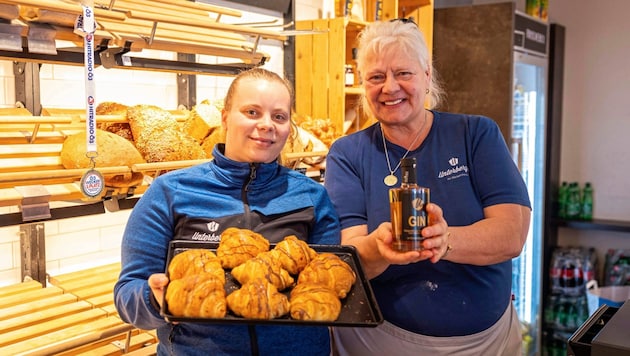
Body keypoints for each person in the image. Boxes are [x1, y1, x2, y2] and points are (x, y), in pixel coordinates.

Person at [324, 19, 531, 355]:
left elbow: (512, 235)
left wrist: (446, 240)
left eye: (403, 73)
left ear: (427, 75)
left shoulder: (475, 134)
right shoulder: (348, 154)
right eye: (376, 77)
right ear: (364, 85)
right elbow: (349, 260)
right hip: (382, 341)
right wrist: (379, 249)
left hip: (488, 344)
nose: (390, 87)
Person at [114, 67, 341, 355]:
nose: (267, 124)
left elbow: (328, 280)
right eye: (252, 112)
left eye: (279, 116)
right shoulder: (169, 193)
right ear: (225, 118)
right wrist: (154, 298)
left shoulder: (312, 197)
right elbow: (127, 295)